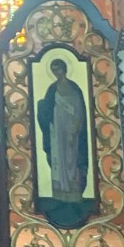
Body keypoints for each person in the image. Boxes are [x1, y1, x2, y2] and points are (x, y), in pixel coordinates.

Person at [37, 58, 88, 202]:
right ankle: (60, 191)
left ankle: (74, 190)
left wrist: (75, 128)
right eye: (53, 70)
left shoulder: (74, 88)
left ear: (64, 69)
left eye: (58, 69)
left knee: (72, 158)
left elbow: (79, 110)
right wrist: (40, 106)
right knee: (58, 158)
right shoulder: (52, 89)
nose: (56, 73)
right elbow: (46, 109)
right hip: (57, 130)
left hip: (71, 129)